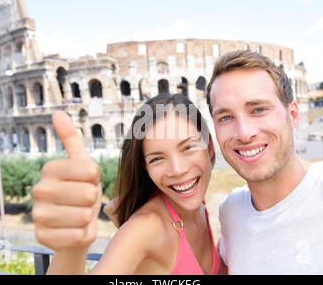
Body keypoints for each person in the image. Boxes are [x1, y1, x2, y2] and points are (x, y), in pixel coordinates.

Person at [206, 50, 323, 274]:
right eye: (226, 117)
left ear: (293, 114)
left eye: (258, 109)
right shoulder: (231, 212)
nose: (244, 133)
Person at [32, 94, 226, 274]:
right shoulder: (145, 228)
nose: (177, 170)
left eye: (188, 147)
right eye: (157, 159)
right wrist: (71, 249)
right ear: (146, 168)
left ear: (208, 147)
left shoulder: (197, 207)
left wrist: (117, 212)